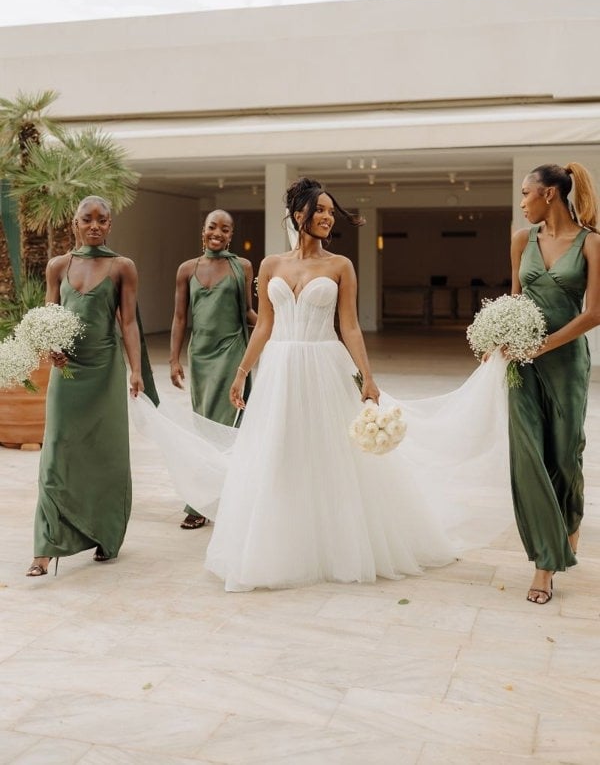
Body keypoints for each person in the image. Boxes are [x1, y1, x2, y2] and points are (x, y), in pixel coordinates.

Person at [133, 177, 512, 592]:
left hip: (324, 362)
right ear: (300, 216)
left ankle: (337, 542)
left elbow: (348, 326)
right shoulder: (271, 264)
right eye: (322, 211)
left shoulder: (340, 266)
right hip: (279, 366)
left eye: (332, 212)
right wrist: (242, 372)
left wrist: (367, 376)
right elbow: (265, 326)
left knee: (332, 453)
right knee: (279, 452)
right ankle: (282, 543)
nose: (329, 218)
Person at [26, 195, 154, 576]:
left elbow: (128, 322)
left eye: (102, 220)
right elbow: (49, 316)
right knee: (56, 451)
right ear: (75, 223)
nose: (95, 225)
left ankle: (105, 532)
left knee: (105, 454)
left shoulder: (122, 267)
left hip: (104, 369)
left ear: (110, 225)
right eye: (87, 219)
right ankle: (44, 549)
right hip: (67, 374)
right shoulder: (57, 266)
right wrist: (52, 348)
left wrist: (135, 369)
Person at [508, 162, 600, 605]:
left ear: (548, 195)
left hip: (565, 364)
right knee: (530, 456)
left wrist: (542, 346)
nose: (522, 202)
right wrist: (498, 339)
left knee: (564, 456)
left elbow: (594, 313)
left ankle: (571, 524)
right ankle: (545, 564)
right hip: (520, 366)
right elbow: (516, 300)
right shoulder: (521, 241)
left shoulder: (591, 243)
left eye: (526, 194)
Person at [169, 209, 257, 530]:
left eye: (225, 229)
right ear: (203, 230)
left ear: (231, 235)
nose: (218, 233)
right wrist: (174, 359)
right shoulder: (186, 270)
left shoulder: (242, 267)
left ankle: (199, 504)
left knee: (224, 427)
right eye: (212, 227)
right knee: (203, 426)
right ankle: (210, 496)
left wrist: (278, 326)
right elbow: (180, 318)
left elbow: (247, 311)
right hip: (201, 358)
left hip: (232, 353)